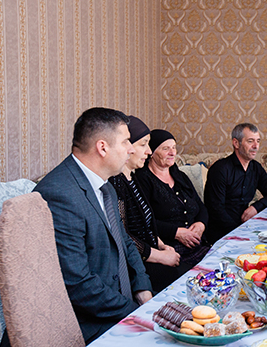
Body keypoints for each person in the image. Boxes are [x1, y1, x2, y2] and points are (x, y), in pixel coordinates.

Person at [33, 107, 152, 343]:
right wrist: (134, 312)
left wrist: (142, 288)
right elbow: (78, 284)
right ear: (102, 147)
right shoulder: (60, 194)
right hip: (88, 321)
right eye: (126, 141)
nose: (131, 149)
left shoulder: (105, 185)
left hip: (118, 301)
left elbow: (125, 242)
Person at [109, 116, 183, 293]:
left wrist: (161, 245)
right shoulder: (116, 183)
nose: (149, 151)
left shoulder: (133, 178)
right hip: (138, 265)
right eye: (143, 144)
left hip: (153, 252)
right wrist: (160, 256)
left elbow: (146, 224)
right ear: (127, 147)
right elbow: (125, 236)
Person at [135, 129, 210, 274]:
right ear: (152, 152)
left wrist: (201, 224)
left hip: (198, 245)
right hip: (170, 251)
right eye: (165, 149)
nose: (172, 153)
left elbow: (201, 206)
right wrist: (176, 233)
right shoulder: (142, 180)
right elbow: (144, 221)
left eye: (174, 148)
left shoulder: (180, 176)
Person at [204, 123, 267, 244]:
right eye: (250, 141)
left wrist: (255, 207)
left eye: (258, 141)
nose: (256, 146)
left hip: (244, 227)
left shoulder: (255, 168)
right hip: (221, 233)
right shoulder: (220, 169)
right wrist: (240, 232)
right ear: (236, 143)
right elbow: (216, 210)